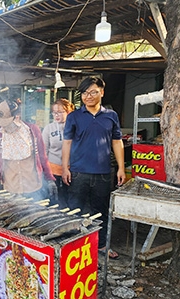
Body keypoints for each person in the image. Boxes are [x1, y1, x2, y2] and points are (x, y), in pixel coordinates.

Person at [61, 76, 125, 260]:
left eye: (93, 92)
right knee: (75, 209)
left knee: (101, 211)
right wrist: (65, 167)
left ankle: (101, 245)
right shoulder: (74, 116)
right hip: (78, 172)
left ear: (102, 92)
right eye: (85, 93)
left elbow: (117, 141)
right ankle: (74, 245)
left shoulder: (111, 116)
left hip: (103, 173)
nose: (88, 96)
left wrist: (121, 168)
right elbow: (67, 143)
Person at [0, 98, 57, 200]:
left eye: (7, 122)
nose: (4, 126)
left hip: (33, 187)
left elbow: (42, 157)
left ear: (17, 117)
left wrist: (50, 179)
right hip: (11, 188)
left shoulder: (32, 131)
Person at [42, 98, 75, 207]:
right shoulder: (48, 129)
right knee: (53, 200)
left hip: (71, 170)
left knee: (68, 200)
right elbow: (43, 151)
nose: (56, 115)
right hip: (53, 171)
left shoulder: (75, 128)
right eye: (54, 112)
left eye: (60, 112)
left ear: (68, 112)